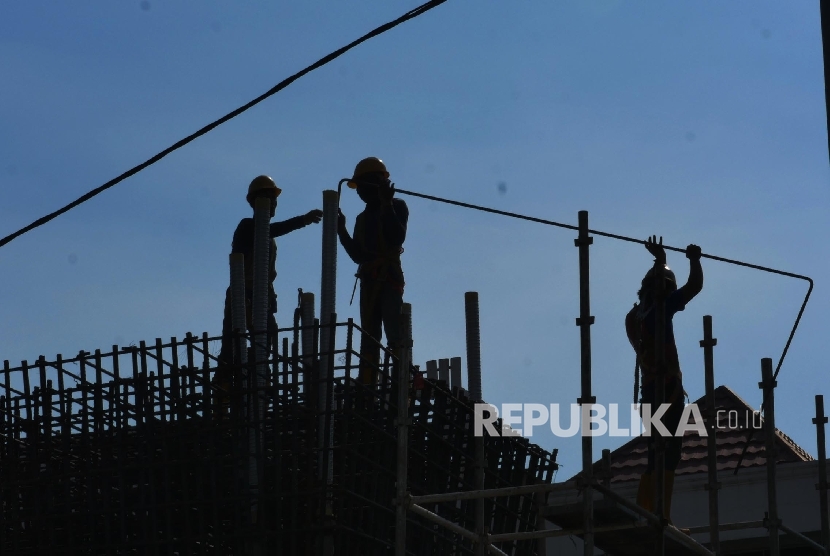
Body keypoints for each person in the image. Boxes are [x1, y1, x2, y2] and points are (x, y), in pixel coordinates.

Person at [215, 175, 322, 398]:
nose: (273, 204)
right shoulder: (248, 227)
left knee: (267, 335)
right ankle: (225, 387)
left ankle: (257, 375)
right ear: (254, 202)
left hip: (261, 294)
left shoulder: (266, 234)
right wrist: (303, 219)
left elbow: (270, 232)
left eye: (274, 200)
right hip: (243, 292)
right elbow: (270, 230)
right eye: (268, 199)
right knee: (232, 343)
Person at [625, 235, 702, 531]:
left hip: (649, 394)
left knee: (654, 452)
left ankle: (647, 511)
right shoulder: (660, 308)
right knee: (669, 453)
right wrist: (693, 259)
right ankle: (659, 514)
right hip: (667, 391)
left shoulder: (634, 317)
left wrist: (661, 259)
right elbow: (694, 287)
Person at [337, 157, 409, 386]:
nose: (358, 193)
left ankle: (399, 382)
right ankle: (368, 384)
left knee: (394, 333)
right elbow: (359, 255)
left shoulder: (397, 206)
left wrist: (386, 203)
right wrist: (342, 232)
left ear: (377, 183)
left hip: (388, 277)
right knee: (369, 336)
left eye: (362, 186)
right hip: (369, 279)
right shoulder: (362, 218)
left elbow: (396, 237)